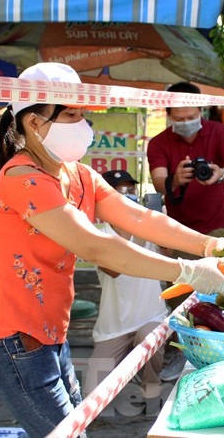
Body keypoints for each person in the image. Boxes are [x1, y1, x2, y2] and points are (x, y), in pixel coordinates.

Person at [0, 62, 224, 438]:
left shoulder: (77, 174)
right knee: (69, 433)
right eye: (72, 115)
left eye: (83, 114)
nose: (82, 124)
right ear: (33, 123)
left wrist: (206, 243)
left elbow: (140, 218)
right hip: (14, 339)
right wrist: (186, 271)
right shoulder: (22, 177)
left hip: (49, 334)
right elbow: (98, 247)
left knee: (73, 427)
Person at [146, 81, 224, 381]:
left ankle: (221, 348)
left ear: (200, 110)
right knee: (178, 296)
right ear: (169, 113)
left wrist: (219, 173)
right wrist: (175, 178)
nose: (187, 122)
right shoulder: (159, 143)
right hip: (177, 231)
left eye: (191, 116)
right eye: (180, 117)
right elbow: (158, 182)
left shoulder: (218, 132)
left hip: (216, 228)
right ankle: (179, 352)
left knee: (218, 292)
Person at [86, 169, 168, 401]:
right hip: (115, 326)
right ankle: (128, 370)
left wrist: (163, 224)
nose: (126, 195)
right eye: (119, 191)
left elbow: (169, 255)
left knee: (150, 336)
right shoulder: (96, 234)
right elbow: (117, 267)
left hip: (151, 317)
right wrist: (131, 228)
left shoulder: (149, 225)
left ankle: (150, 386)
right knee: (92, 396)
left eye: (130, 190)